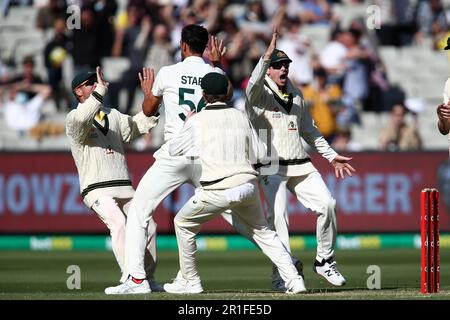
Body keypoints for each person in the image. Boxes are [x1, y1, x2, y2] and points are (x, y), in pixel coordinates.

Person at [104, 24, 302, 295]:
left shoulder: (168, 72)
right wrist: (217, 63)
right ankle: (286, 266)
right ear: (206, 46)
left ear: (183, 46)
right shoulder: (215, 73)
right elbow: (226, 93)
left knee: (139, 209)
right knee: (243, 220)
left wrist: (149, 93)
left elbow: (149, 111)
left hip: (177, 150)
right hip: (209, 156)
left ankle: (137, 280)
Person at [163, 72, 306, 294]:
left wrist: (188, 123)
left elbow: (174, 149)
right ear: (226, 93)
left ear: (204, 94)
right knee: (264, 233)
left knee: (183, 223)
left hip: (217, 189)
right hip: (248, 186)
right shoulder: (241, 116)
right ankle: (295, 281)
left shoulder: (198, 120)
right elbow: (260, 154)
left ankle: (190, 281)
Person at [245, 30, 355, 290]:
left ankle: (324, 260)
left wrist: (331, 156)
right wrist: (265, 58)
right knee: (279, 221)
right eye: (277, 66)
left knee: (327, 204)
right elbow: (250, 87)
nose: (283, 69)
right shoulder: (258, 95)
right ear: (268, 71)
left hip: (299, 162)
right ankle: (282, 275)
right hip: (271, 164)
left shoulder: (296, 94)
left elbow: (310, 131)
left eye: (286, 65)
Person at [65, 67, 161, 291]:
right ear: (79, 91)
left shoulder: (113, 114)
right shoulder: (73, 118)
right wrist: (99, 94)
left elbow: (135, 127)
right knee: (118, 222)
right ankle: (130, 277)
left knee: (150, 226)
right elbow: (83, 119)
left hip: (123, 185)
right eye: (91, 84)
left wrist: (153, 101)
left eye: (96, 83)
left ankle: (145, 278)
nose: (97, 85)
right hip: (96, 188)